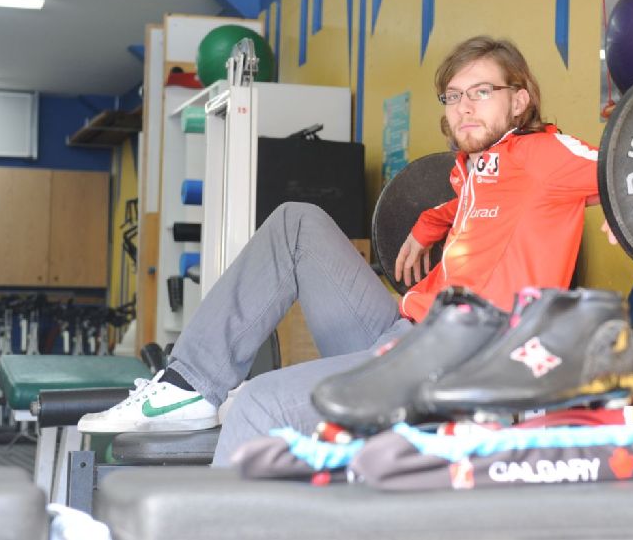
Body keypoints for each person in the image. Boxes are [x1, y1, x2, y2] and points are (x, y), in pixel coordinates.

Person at [78, 35, 601, 465]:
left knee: (260, 405)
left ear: (519, 100)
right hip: (404, 333)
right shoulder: (475, 167)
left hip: (458, 361)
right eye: (453, 95)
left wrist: (629, 218)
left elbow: (625, 168)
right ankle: (187, 385)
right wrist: (428, 224)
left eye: (481, 92)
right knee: (296, 223)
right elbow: (482, 202)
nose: (464, 106)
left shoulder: (546, 154)